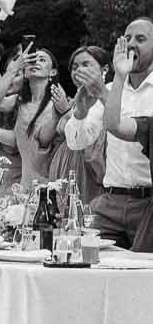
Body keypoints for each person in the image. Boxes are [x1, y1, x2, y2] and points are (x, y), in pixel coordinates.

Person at [97, 27, 153, 249]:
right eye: (127, 38)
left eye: (141, 39)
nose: (131, 44)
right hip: (111, 200)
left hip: (148, 203)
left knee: (142, 278)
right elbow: (112, 125)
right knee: (88, 267)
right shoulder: (113, 87)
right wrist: (119, 76)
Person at [0, 45, 60, 188]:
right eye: (32, 61)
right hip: (24, 187)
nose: (35, 63)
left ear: (52, 72)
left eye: (42, 60)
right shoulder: (19, 102)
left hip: (50, 187)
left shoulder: (57, 104)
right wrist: (13, 69)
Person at [54, 45, 108, 206]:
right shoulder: (75, 102)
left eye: (86, 64)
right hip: (68, 172)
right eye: (75, 67)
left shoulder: (110, 97)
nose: (78, 70)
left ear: (104, 69)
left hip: (91, 177)